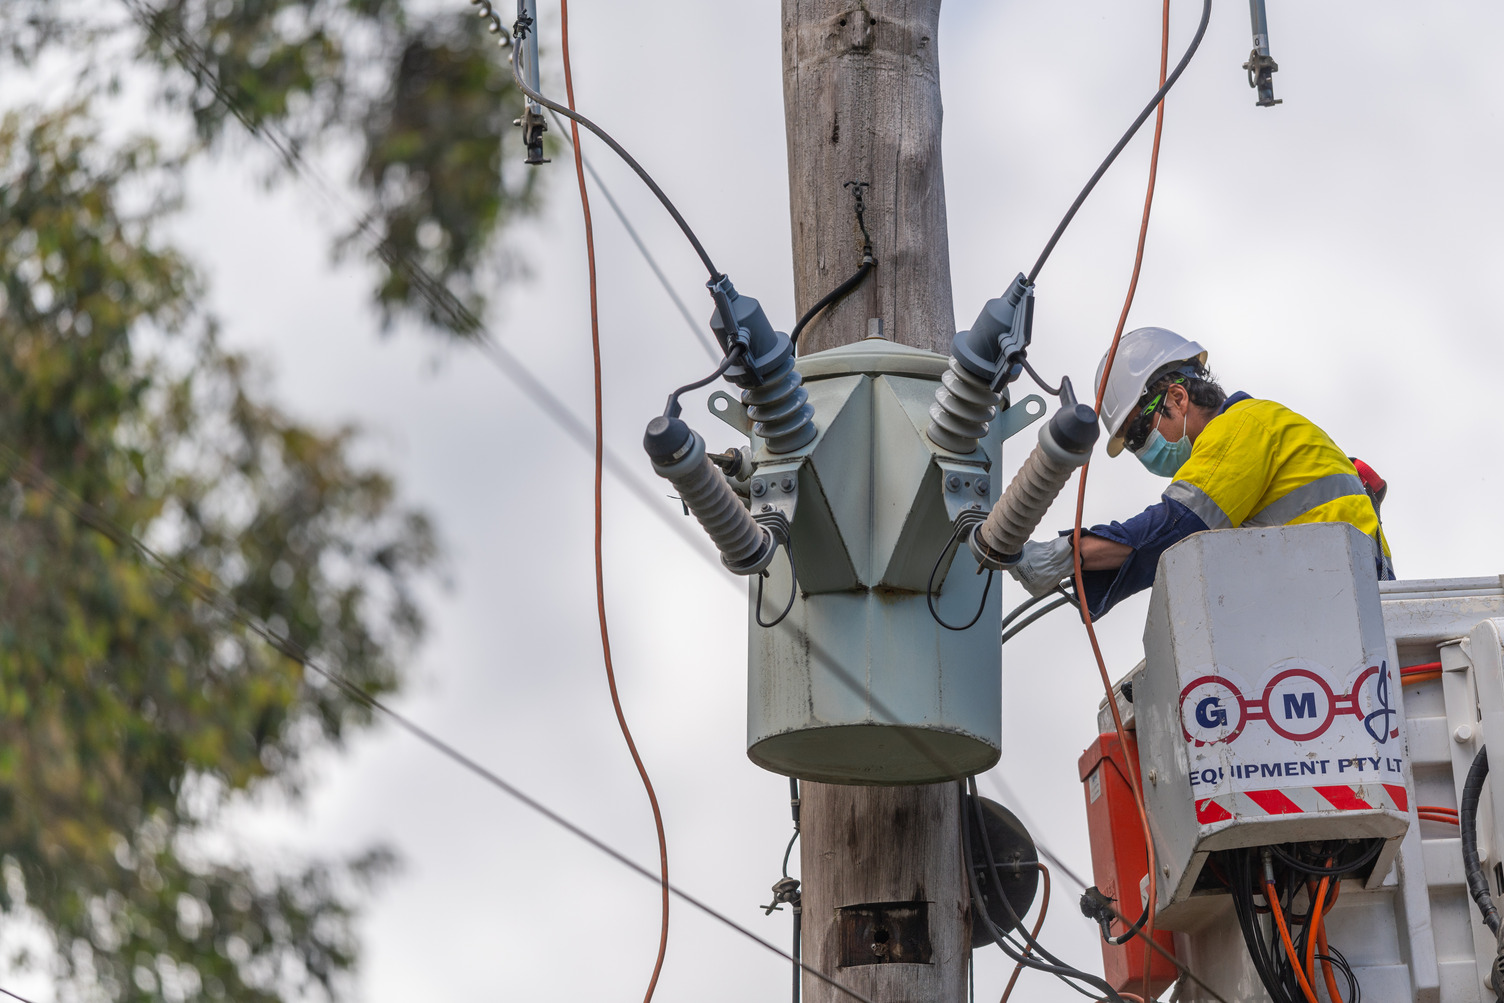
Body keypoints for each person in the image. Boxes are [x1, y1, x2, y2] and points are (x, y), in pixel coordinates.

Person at [1008, 327, 1394, 618]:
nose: (1142, 450)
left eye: (1139, 431)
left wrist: (1070, 553)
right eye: (1130, 445)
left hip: (1341, 608)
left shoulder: (1242, 427)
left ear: (1177, 397)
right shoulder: (1259, 426)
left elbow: (1177, 529)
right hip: (1341, 604)